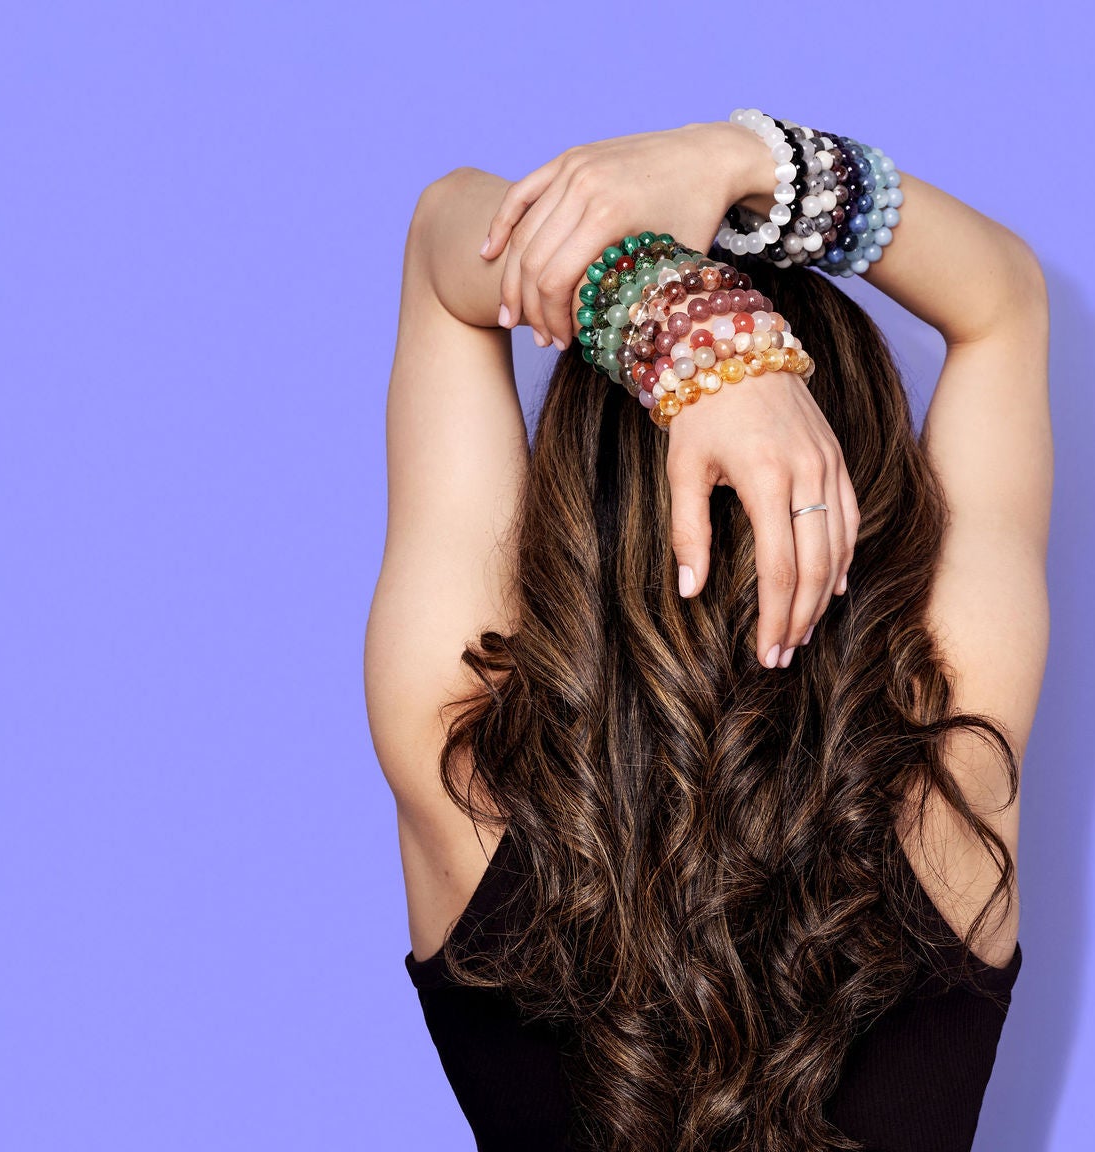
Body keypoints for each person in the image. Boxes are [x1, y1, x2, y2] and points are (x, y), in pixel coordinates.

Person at [364, 111, 1052, 1152]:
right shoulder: (952, 765)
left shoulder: (461, 771)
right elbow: (1003, 298)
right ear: (867, 487)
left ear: (571, 499)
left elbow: (439, 244)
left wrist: (680, 331)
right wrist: (743, 157)